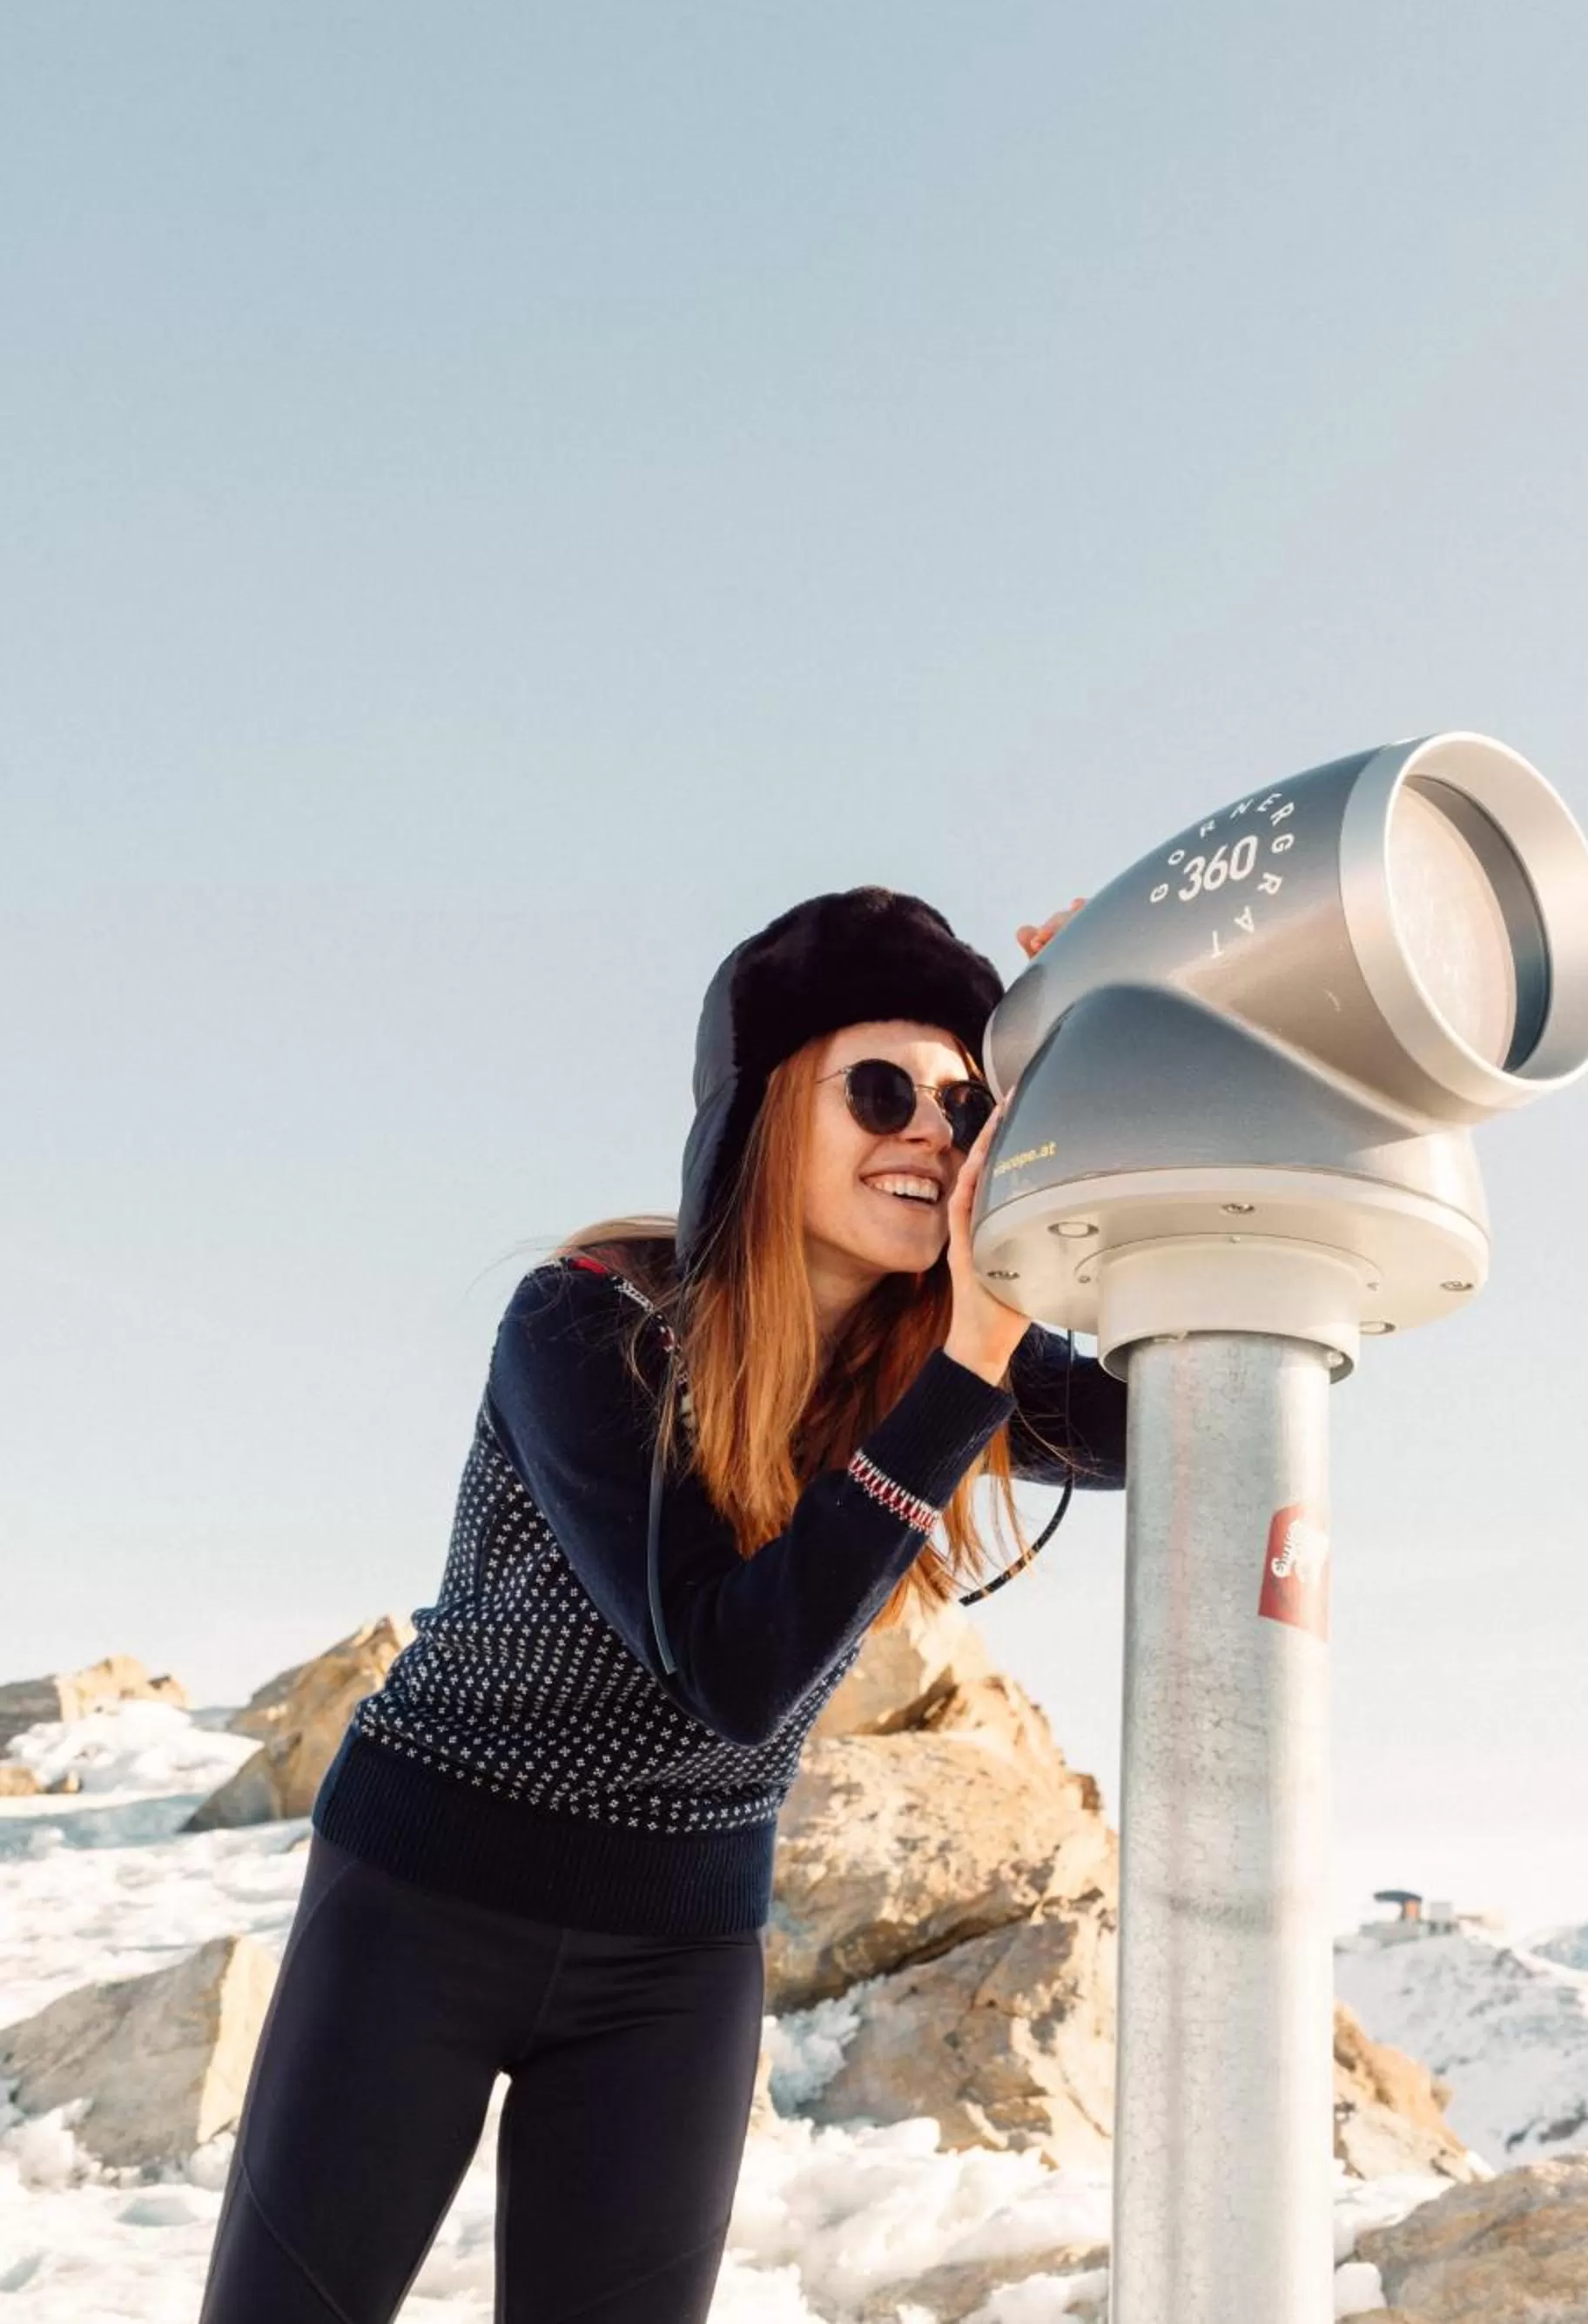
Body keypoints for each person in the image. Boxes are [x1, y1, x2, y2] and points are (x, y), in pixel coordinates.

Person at [198, 883, 1126, 2324]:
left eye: (964, 1100)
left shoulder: (941, 1359)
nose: (929, 1132)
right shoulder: (588, 1325)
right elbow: (729, 1663)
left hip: (677, 1960)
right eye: (879, 1089)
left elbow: (1244, 1359)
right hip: (420, 1905)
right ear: (761, 1118)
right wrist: (969, 1367)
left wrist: (1117, 1041)